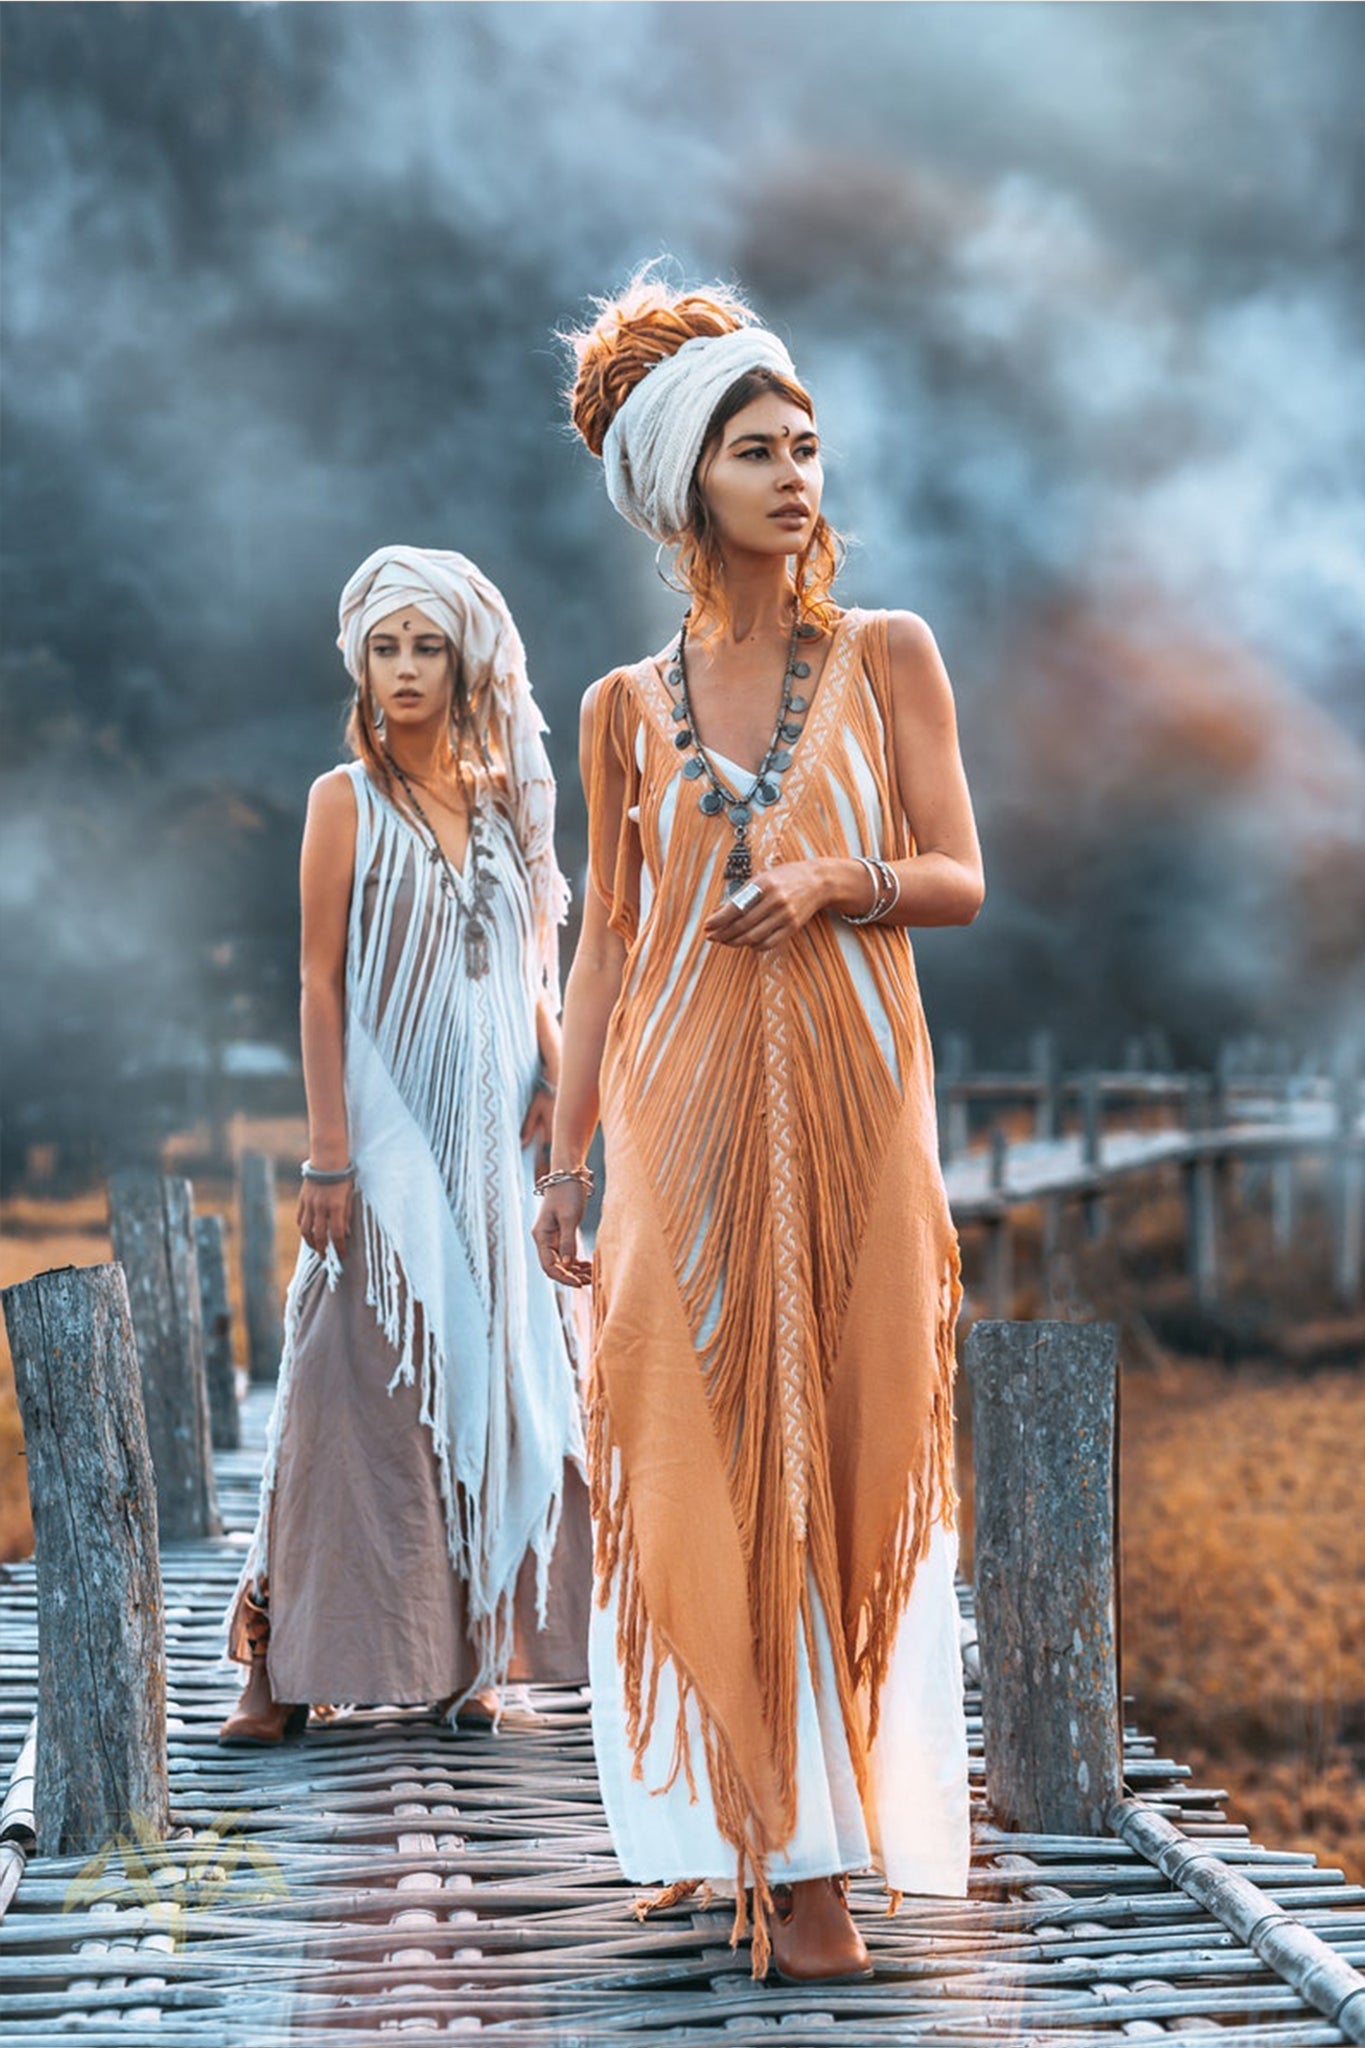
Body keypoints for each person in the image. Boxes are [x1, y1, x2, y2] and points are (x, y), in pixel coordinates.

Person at [533, 278, 984, 1982]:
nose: (797, 475)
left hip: (857, 1107)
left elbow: (958, 874)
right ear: (683, 483)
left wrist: (830, 882)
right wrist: (566, 1155)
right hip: (676, 1114)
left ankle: (821, 1844)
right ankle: (759, 1839)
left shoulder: (888, 655)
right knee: (696, 1434)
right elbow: (603, 949)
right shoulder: (616, 708)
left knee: (846, 1440)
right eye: (756, 450)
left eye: (806, 445)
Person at [222, 545, 589, 1744]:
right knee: (343, 1377)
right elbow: (319, 981)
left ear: (464, 662)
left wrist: (553, 1069)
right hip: (382, 1127)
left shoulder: (499, 803)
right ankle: (280, 1664)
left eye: (427, 645)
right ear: (361, 666)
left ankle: (471, 1653)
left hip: (494, 1135)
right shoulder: (343, 799)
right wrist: (327, 1150)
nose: (406, 668)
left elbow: (528, 966)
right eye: (385, 648)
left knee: (496, 1373)